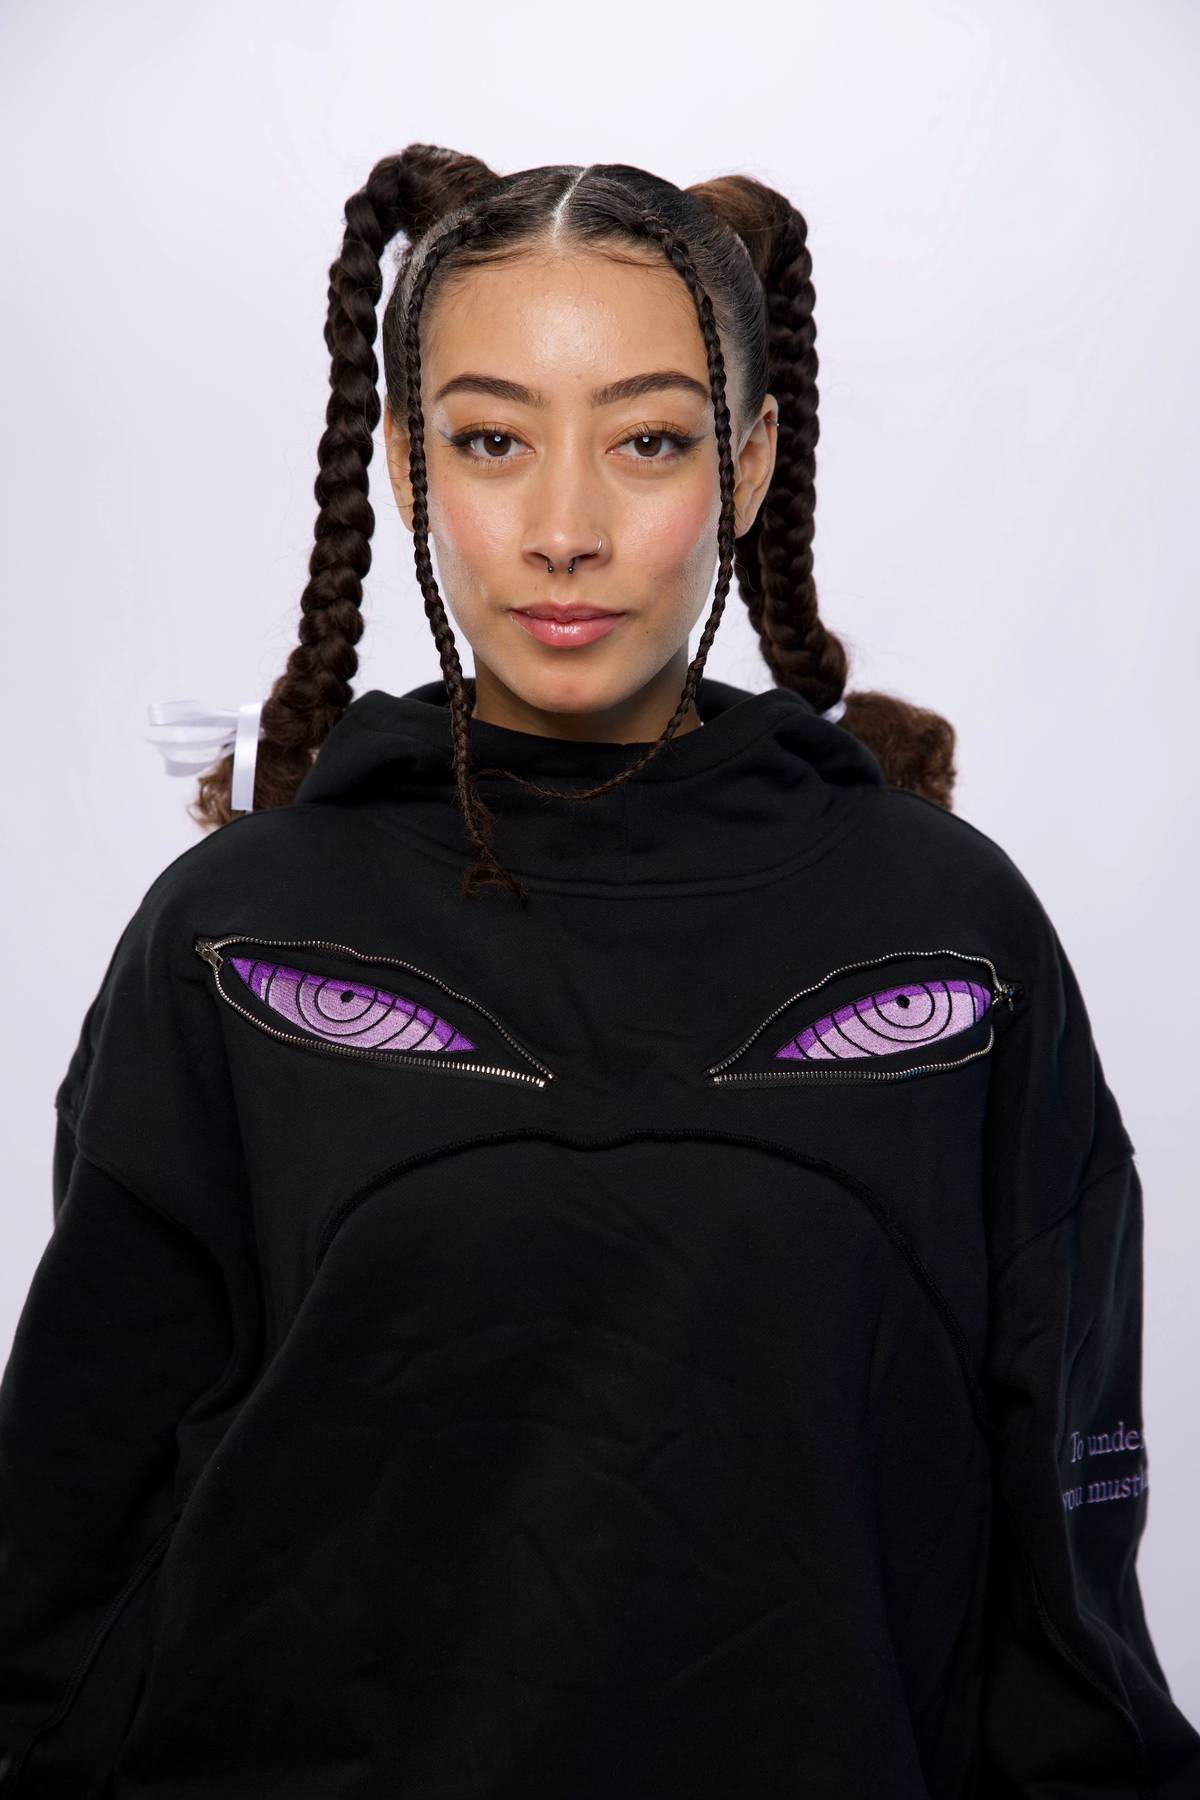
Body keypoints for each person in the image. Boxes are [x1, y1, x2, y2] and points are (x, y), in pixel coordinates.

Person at [1, 145, 1196, 1798]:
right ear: (407, 466)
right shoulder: (236, 938)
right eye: (493, 441)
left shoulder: (949, 938)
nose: (565, 530)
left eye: (649, 441)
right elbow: (70, 1562)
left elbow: (1065, 1610)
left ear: (751, 462)